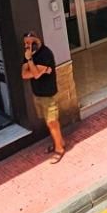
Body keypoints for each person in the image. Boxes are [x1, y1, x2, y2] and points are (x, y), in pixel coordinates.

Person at [21, 31, 66, 162]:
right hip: (38, 94)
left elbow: (35, 74)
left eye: (29, 42)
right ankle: (59, 142)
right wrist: (39, 69)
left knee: (52, 122)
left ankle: (59, 149)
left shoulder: (45, 54)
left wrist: (30, 61)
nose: (27, 46)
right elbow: (24, 74)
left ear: (37, 40)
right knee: (48, 122)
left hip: (49, 95)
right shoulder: (28, 54)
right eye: (25, 43)